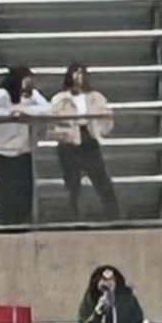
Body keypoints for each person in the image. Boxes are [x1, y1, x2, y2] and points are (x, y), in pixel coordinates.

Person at [0, 64, 50, 226]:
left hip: (24, 148)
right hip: (4, 149)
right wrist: (10, 112)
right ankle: (7, 218)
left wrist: (25, 111)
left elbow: (47, 109)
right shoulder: (2, 94)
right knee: (7, 188)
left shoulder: (31, 95)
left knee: (23, 188)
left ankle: (23, 217)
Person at [49, 64, 119, 221]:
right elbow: (53, 120)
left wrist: (101, 130)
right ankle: (74, 216)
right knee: (72, 182)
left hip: (89, 139)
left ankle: (113, 214)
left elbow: (107, 116)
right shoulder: (60, 98)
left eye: (81, 73)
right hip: (69, 143)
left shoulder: (96, 97)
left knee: (101, 179)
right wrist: (62, 135)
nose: (78, 77)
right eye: (75, 73)